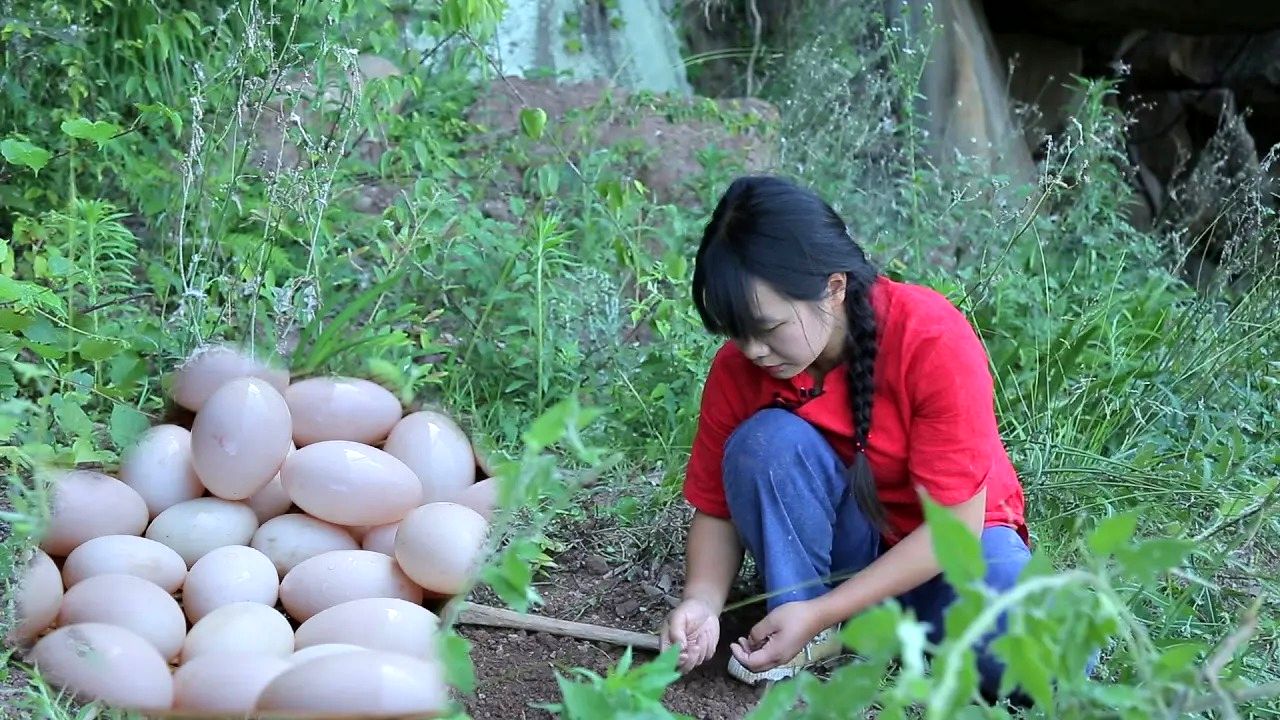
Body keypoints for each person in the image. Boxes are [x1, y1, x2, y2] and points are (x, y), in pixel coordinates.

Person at [657, 174, 1035, 697]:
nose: (753, 351)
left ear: (834, 289)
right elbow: (717, 510)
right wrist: (701, 600)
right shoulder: (740, 369)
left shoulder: (929, 338)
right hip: (847, 552)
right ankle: (815, 620)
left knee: (1040, 654)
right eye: (736, 333)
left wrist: (822, 612)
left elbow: (956, 531)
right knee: (764, 444)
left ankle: (847, 624)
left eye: (767, 329)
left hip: (948, 552)